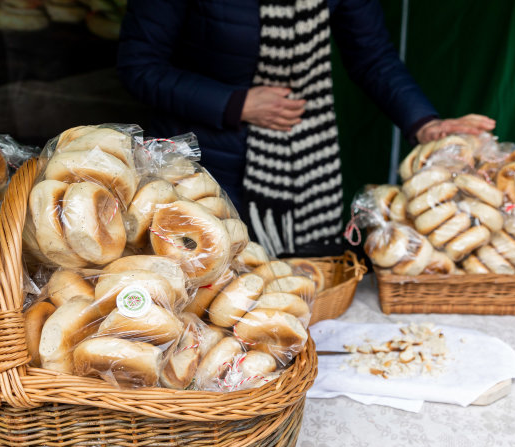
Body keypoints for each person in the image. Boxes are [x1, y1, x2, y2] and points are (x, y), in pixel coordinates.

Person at [117, 0, 494, 256]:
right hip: (197, 160)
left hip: (303, 167)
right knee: (208, 275)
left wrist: (424, 123)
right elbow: (139, 66)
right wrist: (236, 103)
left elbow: (373, 56)